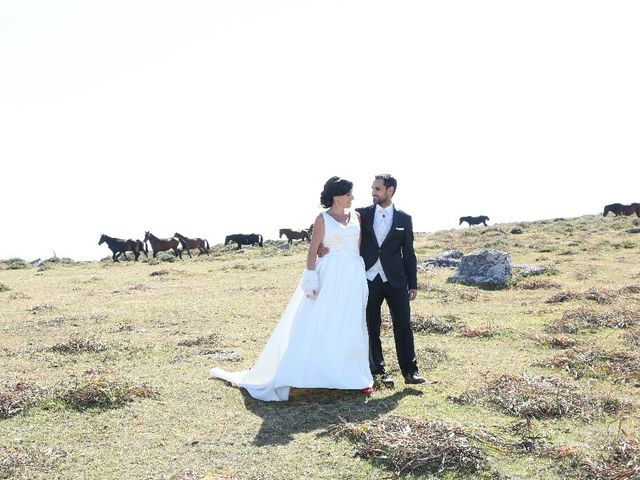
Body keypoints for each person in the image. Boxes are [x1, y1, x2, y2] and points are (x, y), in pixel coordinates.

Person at [210, 176, 373, 401]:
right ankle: (313, 373)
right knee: (322, 321)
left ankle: (353, 376)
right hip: (329, 275)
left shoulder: (357, 217)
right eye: (348, 194)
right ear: (337, 196)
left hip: (352, 275)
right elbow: (312, 249)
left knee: (350, 323)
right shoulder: (322, 219)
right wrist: (311, 276)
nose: (352, 197)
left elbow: (359, 245)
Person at [357, 174, 424, 386]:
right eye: (372, 188)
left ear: (390, 190)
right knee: (371, 325)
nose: (373, 192)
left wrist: (412, 283)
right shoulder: (362, 215)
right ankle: (377, 369)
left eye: (377, 188)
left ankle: (410, 372)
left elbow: (409, 253)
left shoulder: (404, 219)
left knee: (403, 325)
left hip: (396, 280)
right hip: (369, 278)